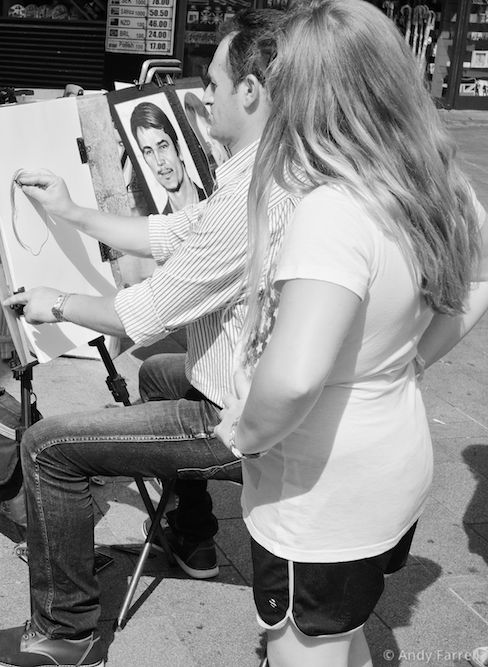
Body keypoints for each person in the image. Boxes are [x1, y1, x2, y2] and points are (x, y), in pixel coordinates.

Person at [0, 10, 294, 666]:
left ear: (251, 92)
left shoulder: (249, 197)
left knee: (48, 447)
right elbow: (169, 233)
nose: (203, 96)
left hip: (235, 419)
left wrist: (56, 300)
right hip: (251, 386)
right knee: (153, 375)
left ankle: (64, 634)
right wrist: (70, 210)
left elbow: (145, 312)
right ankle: (194, 534)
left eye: (213, 83)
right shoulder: (265, 169)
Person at [211, 1, 488, 665]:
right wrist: (402, 362)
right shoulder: (438, 182)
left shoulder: (333, 209)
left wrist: (245, 432)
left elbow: (297, 374)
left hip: (320, 490)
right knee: (338, 632)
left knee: (304, 643)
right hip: (388, 459)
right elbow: (475, 288)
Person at [129, 101, 205, 214]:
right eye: (149, 152)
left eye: (163, 146)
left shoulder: (215, 197)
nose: (159, 161)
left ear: (178, 149)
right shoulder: (161, 225)